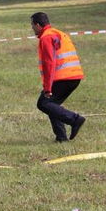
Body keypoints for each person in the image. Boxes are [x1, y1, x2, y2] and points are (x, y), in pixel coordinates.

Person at [31, 12, 86, 142]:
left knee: (44, 103)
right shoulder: (58, 33)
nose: (32, 28)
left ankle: (75, 119)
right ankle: (61, 137)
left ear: (38, 25)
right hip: (74, 76)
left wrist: (48, 88)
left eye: (32, 25)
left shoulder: (46, 38)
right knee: (52, 105)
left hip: (63, 77)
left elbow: (49, 63)